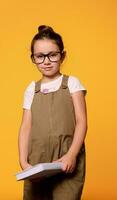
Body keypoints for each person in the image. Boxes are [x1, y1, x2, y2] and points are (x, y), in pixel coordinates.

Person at [18, 25, 88, 200]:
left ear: (62, 55)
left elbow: (82, 122)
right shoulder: (31, 89)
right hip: (37, 161)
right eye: (40, 57)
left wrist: (71, 155)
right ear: (33, 58)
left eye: (52, 55)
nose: (46, 61)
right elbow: (25, 127)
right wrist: (24, 161)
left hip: (66, 159)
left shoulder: (72, 83)